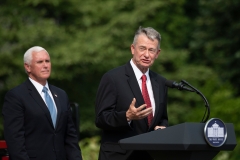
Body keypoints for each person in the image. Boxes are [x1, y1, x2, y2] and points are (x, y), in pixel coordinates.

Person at [95, 27, 168, 160]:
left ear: (157, 53)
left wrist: (163, 128)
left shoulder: (160, 82)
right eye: (142, 48)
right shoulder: (113, 78)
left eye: (151, 50)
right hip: (120, 156)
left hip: (150, 155)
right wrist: (127, 116)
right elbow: (101, 119)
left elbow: (163, 117)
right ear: (132, 49)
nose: (146, 54)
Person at [2, 46, 83, 160]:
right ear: (28, 67)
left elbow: (70, 136)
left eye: (47, 61)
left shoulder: (61, 94)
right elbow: (15, 140)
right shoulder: (16, 96)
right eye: (40, 62)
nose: (45, 65)